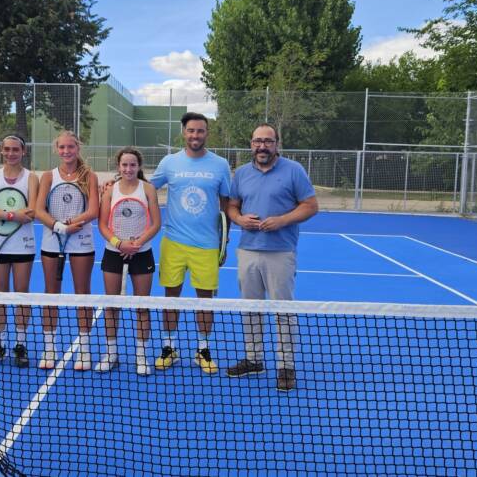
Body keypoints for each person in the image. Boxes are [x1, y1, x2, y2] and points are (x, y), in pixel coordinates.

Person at [225, 124, 318, 392]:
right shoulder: (241, 173)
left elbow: (311, 206)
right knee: (251, 309)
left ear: (277, 143)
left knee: (283, 311)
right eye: (257, 141)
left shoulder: (294, 170)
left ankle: (285, 366)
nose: (262, 146)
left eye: (267, 141)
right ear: (251, 144)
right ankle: (254, 360)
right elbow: (232, 206)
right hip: (247, 251)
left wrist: (282, 220)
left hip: (281, 252)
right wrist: (240, 219)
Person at [149, 112, 231, 374]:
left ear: (207, 133)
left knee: (204, 300)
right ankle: (169, 347)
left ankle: (203, 349)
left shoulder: (220, 165)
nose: (195, 135)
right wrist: (115, 186)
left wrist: (224, 242)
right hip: (173, 242)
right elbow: (147, 188)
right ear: (183, 132)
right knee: (171, 297)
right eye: (191, 131)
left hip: (207, 245)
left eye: (200, 131)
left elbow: (226, 203)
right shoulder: (169, 162)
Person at [34, 131, 99, 370]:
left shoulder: (89, 176)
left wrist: (72, 224)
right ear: (56, 149)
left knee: (83, 294)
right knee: (51, 293)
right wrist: (58, 226)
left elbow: (93, 210)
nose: (66, 151)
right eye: (62, 147)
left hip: (81, 241)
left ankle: (84, 350)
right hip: (52, 240)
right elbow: (39, 210)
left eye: (70, 147)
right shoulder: (48, 177)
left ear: (77, 148)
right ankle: (49, 348)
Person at [97, 147, 161, 375]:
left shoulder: (148, 189)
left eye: (132, 165)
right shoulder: (109, 191)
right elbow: (103, 225)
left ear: (139, 166)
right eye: (124, 165)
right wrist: (119, 243)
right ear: (118, 166)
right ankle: (111, 353)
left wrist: (136, 243)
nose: (128, 169)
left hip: (142, 253)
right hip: (113, 252)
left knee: (142, 307)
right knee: (111, 306)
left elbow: (155, 224)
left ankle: (142, 356)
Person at [0, 135, 39, 367]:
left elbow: (32, 211)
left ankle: (20, 344)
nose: (11, 153)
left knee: (21, 294)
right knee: (0, 296)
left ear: (23, 152)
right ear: (1, 152)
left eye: (15, 149)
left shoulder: (32, 178)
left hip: (23, 245)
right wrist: (11, 215)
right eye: (7, 149)